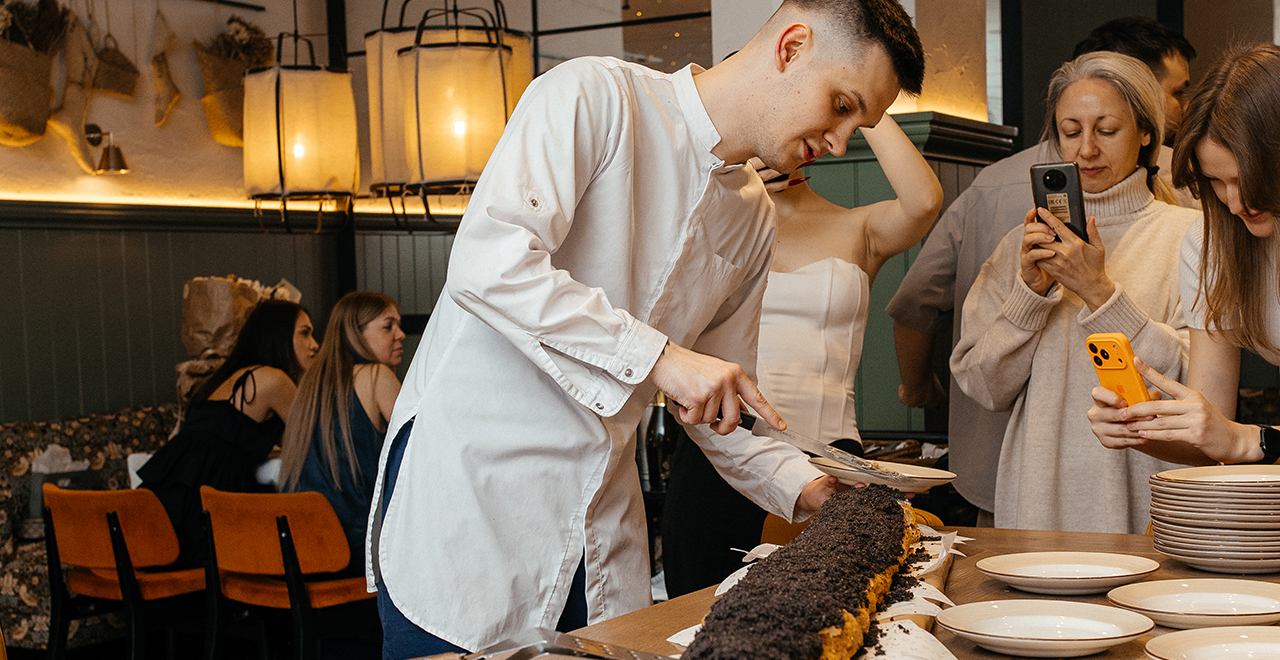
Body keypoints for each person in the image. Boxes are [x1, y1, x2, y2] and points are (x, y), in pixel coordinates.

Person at [366, 0, 924, 656]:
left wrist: (806, 486)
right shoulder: (594, 96)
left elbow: (719, 411)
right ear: (792, 46)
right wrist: (660, 357)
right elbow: (489, 264)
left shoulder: (752, 218)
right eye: (841, 105)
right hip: (469, 507)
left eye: (858, 123)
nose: (840, 141)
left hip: (600, 530)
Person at [886, 16, 1197, 524]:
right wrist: (1028, 297)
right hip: (1034, 505)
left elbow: (1194, 387)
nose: (1086, 149)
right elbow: (984, 387)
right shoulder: (1021, 246)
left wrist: (1099, 292)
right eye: (1071, 132)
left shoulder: (1189, 236)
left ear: (1146, 132)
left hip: (1147, 505)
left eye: (1107, 130)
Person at [662, 114, 943, 597]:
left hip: (832, 466)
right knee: (697, 620)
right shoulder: (705, 230)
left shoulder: (857, 227)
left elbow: (923, 202)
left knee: (842, 615)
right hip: (716, 462)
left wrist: (860, 103)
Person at [1088, 44, 1280, 466]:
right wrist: (1140, 429)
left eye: (1247, 179)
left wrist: (1251, 440)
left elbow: (1237, 440)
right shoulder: (1211, 244)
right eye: (1216, 182)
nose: (1235, 202)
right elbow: (1209, 440)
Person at [139, 299, 319, 567]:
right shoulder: (273, 379)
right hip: (204, 511)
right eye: (305, 333)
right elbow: (315, 443)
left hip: (166, 503)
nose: (315, 344)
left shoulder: (227, 377)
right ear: (277, 336)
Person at [278, 292, 404, 578]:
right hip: (354, 549)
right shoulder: (376, 376)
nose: (400, 334)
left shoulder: (309, 385)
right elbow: (424, 449)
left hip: (300, 548)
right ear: (355, 333)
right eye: (388, 326)